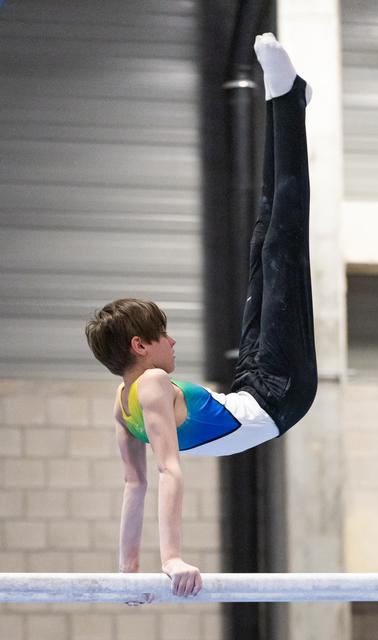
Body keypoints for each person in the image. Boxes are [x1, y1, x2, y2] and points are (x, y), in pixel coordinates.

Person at [85, 32, 317, 600]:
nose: (172, 341)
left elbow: (132, 487)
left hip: (254, 390)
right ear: (140, 346)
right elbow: (166, 472)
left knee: (263, 238)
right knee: (284, 238)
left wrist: (127, 569)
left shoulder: (122, 406)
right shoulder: (155, 386)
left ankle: (288, 99)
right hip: (280, 394)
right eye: (161, 334)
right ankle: (285, 102)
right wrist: (171, 558)